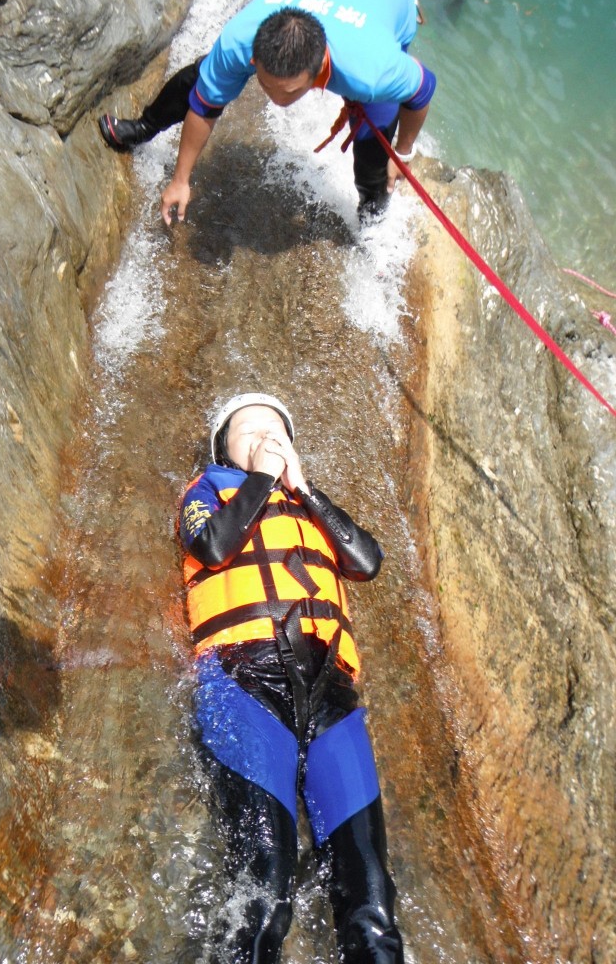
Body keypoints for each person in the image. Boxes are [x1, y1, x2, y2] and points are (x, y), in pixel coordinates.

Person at [177, 392, 406, 964]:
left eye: (275, 430)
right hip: (241, 682)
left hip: (332, 697)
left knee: (373, 903)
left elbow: (368, 561)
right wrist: (259, 478)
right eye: (247, 431)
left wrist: (301, 487)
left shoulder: (311, 509)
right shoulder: (208, 492)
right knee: (265, 889)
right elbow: (212, 544)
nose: (264, 437)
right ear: (222, 450)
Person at [99, 0, 436, 224]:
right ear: (254, 59)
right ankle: (144, 127)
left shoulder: (371, 71)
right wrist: (180, 179)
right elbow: (205, 106)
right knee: (204, 76)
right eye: (266, 85)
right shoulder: (241, 39)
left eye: (288, 92)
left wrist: (403, 153)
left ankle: (372, 221)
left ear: (319, 71)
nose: (276, 99)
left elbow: (423, 88)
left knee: (373, 156)